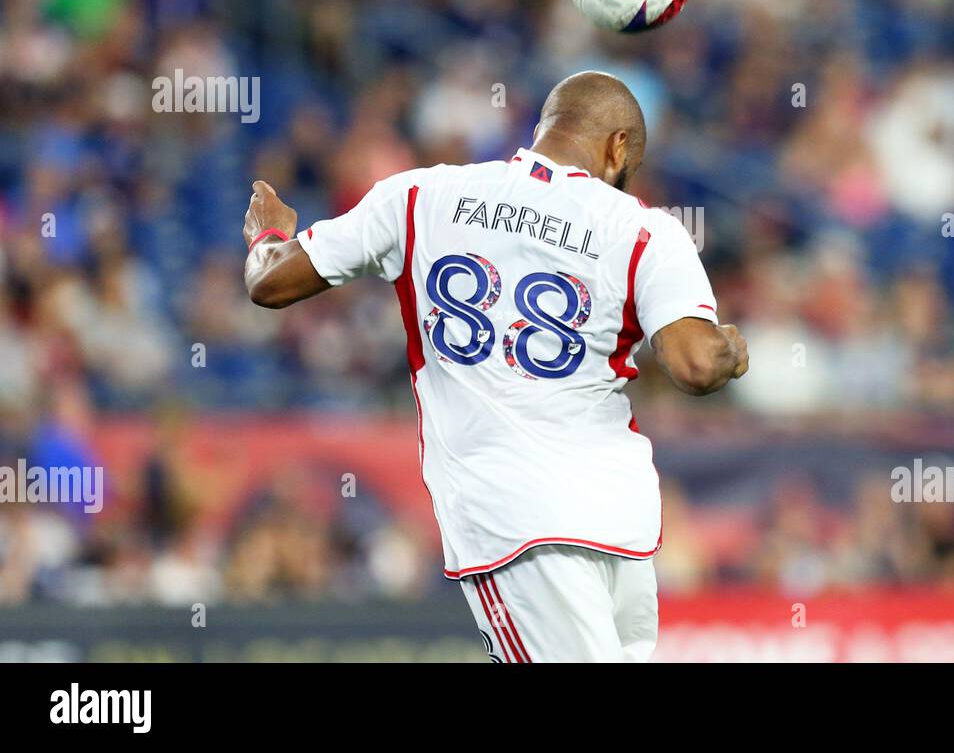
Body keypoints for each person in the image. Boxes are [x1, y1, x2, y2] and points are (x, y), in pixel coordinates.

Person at [241, 70, 748, 661]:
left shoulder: (418, 197)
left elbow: (272, 281)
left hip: (513, 522)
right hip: (618, 524)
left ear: (541, 132)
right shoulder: (644, 230)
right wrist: (730, 349)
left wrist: (268, 234)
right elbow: (696, 363)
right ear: (618, 149)